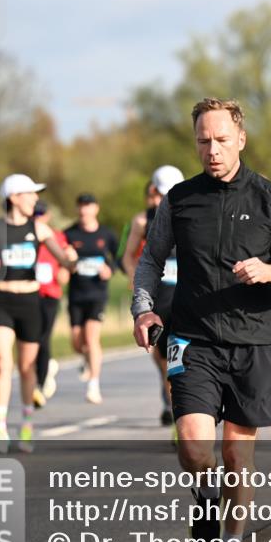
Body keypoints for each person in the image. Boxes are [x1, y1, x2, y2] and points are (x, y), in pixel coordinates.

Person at [131, 98, 271, 542]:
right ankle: (206, 502)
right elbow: (151, 260)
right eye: (202, 141)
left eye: (220, 139)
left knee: (237, 456)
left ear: (240, 139)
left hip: (254, 344)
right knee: (194, 449)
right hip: (193, 340)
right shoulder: (178, 200)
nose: (211, 150)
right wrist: (144, 307)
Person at [0, 173, 76, 453]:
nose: (35, 198)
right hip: (0, 300)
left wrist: (71, 259)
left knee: (27, 368)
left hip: (30, 302)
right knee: (3, 363)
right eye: (30, 193)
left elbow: (65, 261)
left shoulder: (40, 229)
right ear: (13, 197)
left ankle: (26, 424)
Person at [122, 166, 185, 426]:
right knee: (163, 361)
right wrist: (138, 282)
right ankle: (171, 403)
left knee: (178, 361)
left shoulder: (190, 215)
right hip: (157, 301)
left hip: (183, 299)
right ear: (154, 193)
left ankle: (180, 419)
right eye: (161, 193)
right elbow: (127, 257)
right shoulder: (142, 220)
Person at [64, 193, 119, 404]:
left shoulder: (106, 234)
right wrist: (67, 261)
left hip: (97, 294)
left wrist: (110, 269)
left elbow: (120, 256)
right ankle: (87, 360)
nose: (84, 210)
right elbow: (60, 258)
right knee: (77, 342)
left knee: (91, 337)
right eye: (81, 206)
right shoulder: (69, 234)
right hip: (76, 294)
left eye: (88, 206)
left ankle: (93, 386)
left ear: (96, 209)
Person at [32, 200, 69, 408]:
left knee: (43, 338)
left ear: (47, 216)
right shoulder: (26, 236)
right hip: (29, 294)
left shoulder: (56, 236)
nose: (37, 218)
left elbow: (65, 263)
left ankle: (38, 384)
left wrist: (64, 272)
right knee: (32, 339)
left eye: (40, 215)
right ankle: (43, 372)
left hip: (51, 294)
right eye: (34, 214)